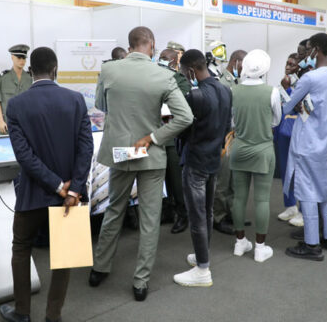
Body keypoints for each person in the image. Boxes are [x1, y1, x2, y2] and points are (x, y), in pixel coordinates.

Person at [89, 26, 193, 302]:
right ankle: (140, 282)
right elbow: (185, 117)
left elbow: (102, 104)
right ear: (152, 45)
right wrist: (153, 137)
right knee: (149, 220)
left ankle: (100, 268)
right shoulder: (164, 75)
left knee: (114, 209)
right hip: (148, 152)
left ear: (130, 44)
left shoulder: (110, 70)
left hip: (122, 151)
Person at [0, 47, 94, 322]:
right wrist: (73, 189)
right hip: (70, 199)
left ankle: (22, 312)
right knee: (64, 256)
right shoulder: (76, 100)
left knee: (21, 248)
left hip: (32, 195)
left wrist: (55, 185)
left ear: (30, 71)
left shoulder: (16, 105)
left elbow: (24, 156)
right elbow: (85, 148)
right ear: (56, 69)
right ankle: (53, 315)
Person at [173, 49, 231, 286]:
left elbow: (183, 130)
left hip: (196, 160)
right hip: (213, 158)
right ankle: (201, 256)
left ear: (190, 70)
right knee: (206, 211)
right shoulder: (226, 90)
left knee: (197, 215)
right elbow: (228, 125)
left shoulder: (194, 96)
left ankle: (202, 270)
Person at [282, 33, 327, 261]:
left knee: (306, 191)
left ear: (316, 50)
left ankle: (311, 244)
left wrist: (286, 87)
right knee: (324, 190)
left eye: (307, 50)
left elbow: (287, 107)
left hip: (307, 142)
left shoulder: (310, 78)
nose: (304, 55)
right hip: (326, 143)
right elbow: (315, 106)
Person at [229, 49, 281, 263]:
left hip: (239, 149)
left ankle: (239, 243)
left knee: (239, 198)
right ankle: (260, 248)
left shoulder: (234, 90)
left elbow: (232, 121)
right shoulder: (272, 91)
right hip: (263, 151)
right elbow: (276, 120)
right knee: (261, 199)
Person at [212, 49, 247, 235]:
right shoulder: (221, 83)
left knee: (236, 180)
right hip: (225, 138)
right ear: (235, 62)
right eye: (244, 64)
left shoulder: (239, 81)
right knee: (223, 181)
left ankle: (233, 214)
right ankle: (217, 217)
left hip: (238, 137)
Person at [158, 48, 191, 234]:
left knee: (175, 180)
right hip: (155, 133)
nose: (161, 61)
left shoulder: (179, 80)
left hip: (172, 136)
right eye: (160, 58)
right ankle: (167, 210)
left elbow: (185, 103)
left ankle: (182, 213)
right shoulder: (153, 76)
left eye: (165, 59)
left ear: (174, 62)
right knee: (160, 178)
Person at [274, 53, 302, 221]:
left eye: (292, 64)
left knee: (299, 172)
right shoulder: (283, 83)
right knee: (285, 170)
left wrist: (284, 90)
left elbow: (292, 107)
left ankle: (304, 211)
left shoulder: (302, 84)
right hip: (282, 132)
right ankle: (290, 206)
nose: (288, 67)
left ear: (299, 67)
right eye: (287, 63)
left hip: (297, 133)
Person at [0, 44, 33, 135]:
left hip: (27, 125)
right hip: (8, 126)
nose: (22, 61)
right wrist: (1, 121)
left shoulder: (30, 79)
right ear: (12, 57)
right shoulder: (2, 78)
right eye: (19, 58)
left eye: (24, 58)